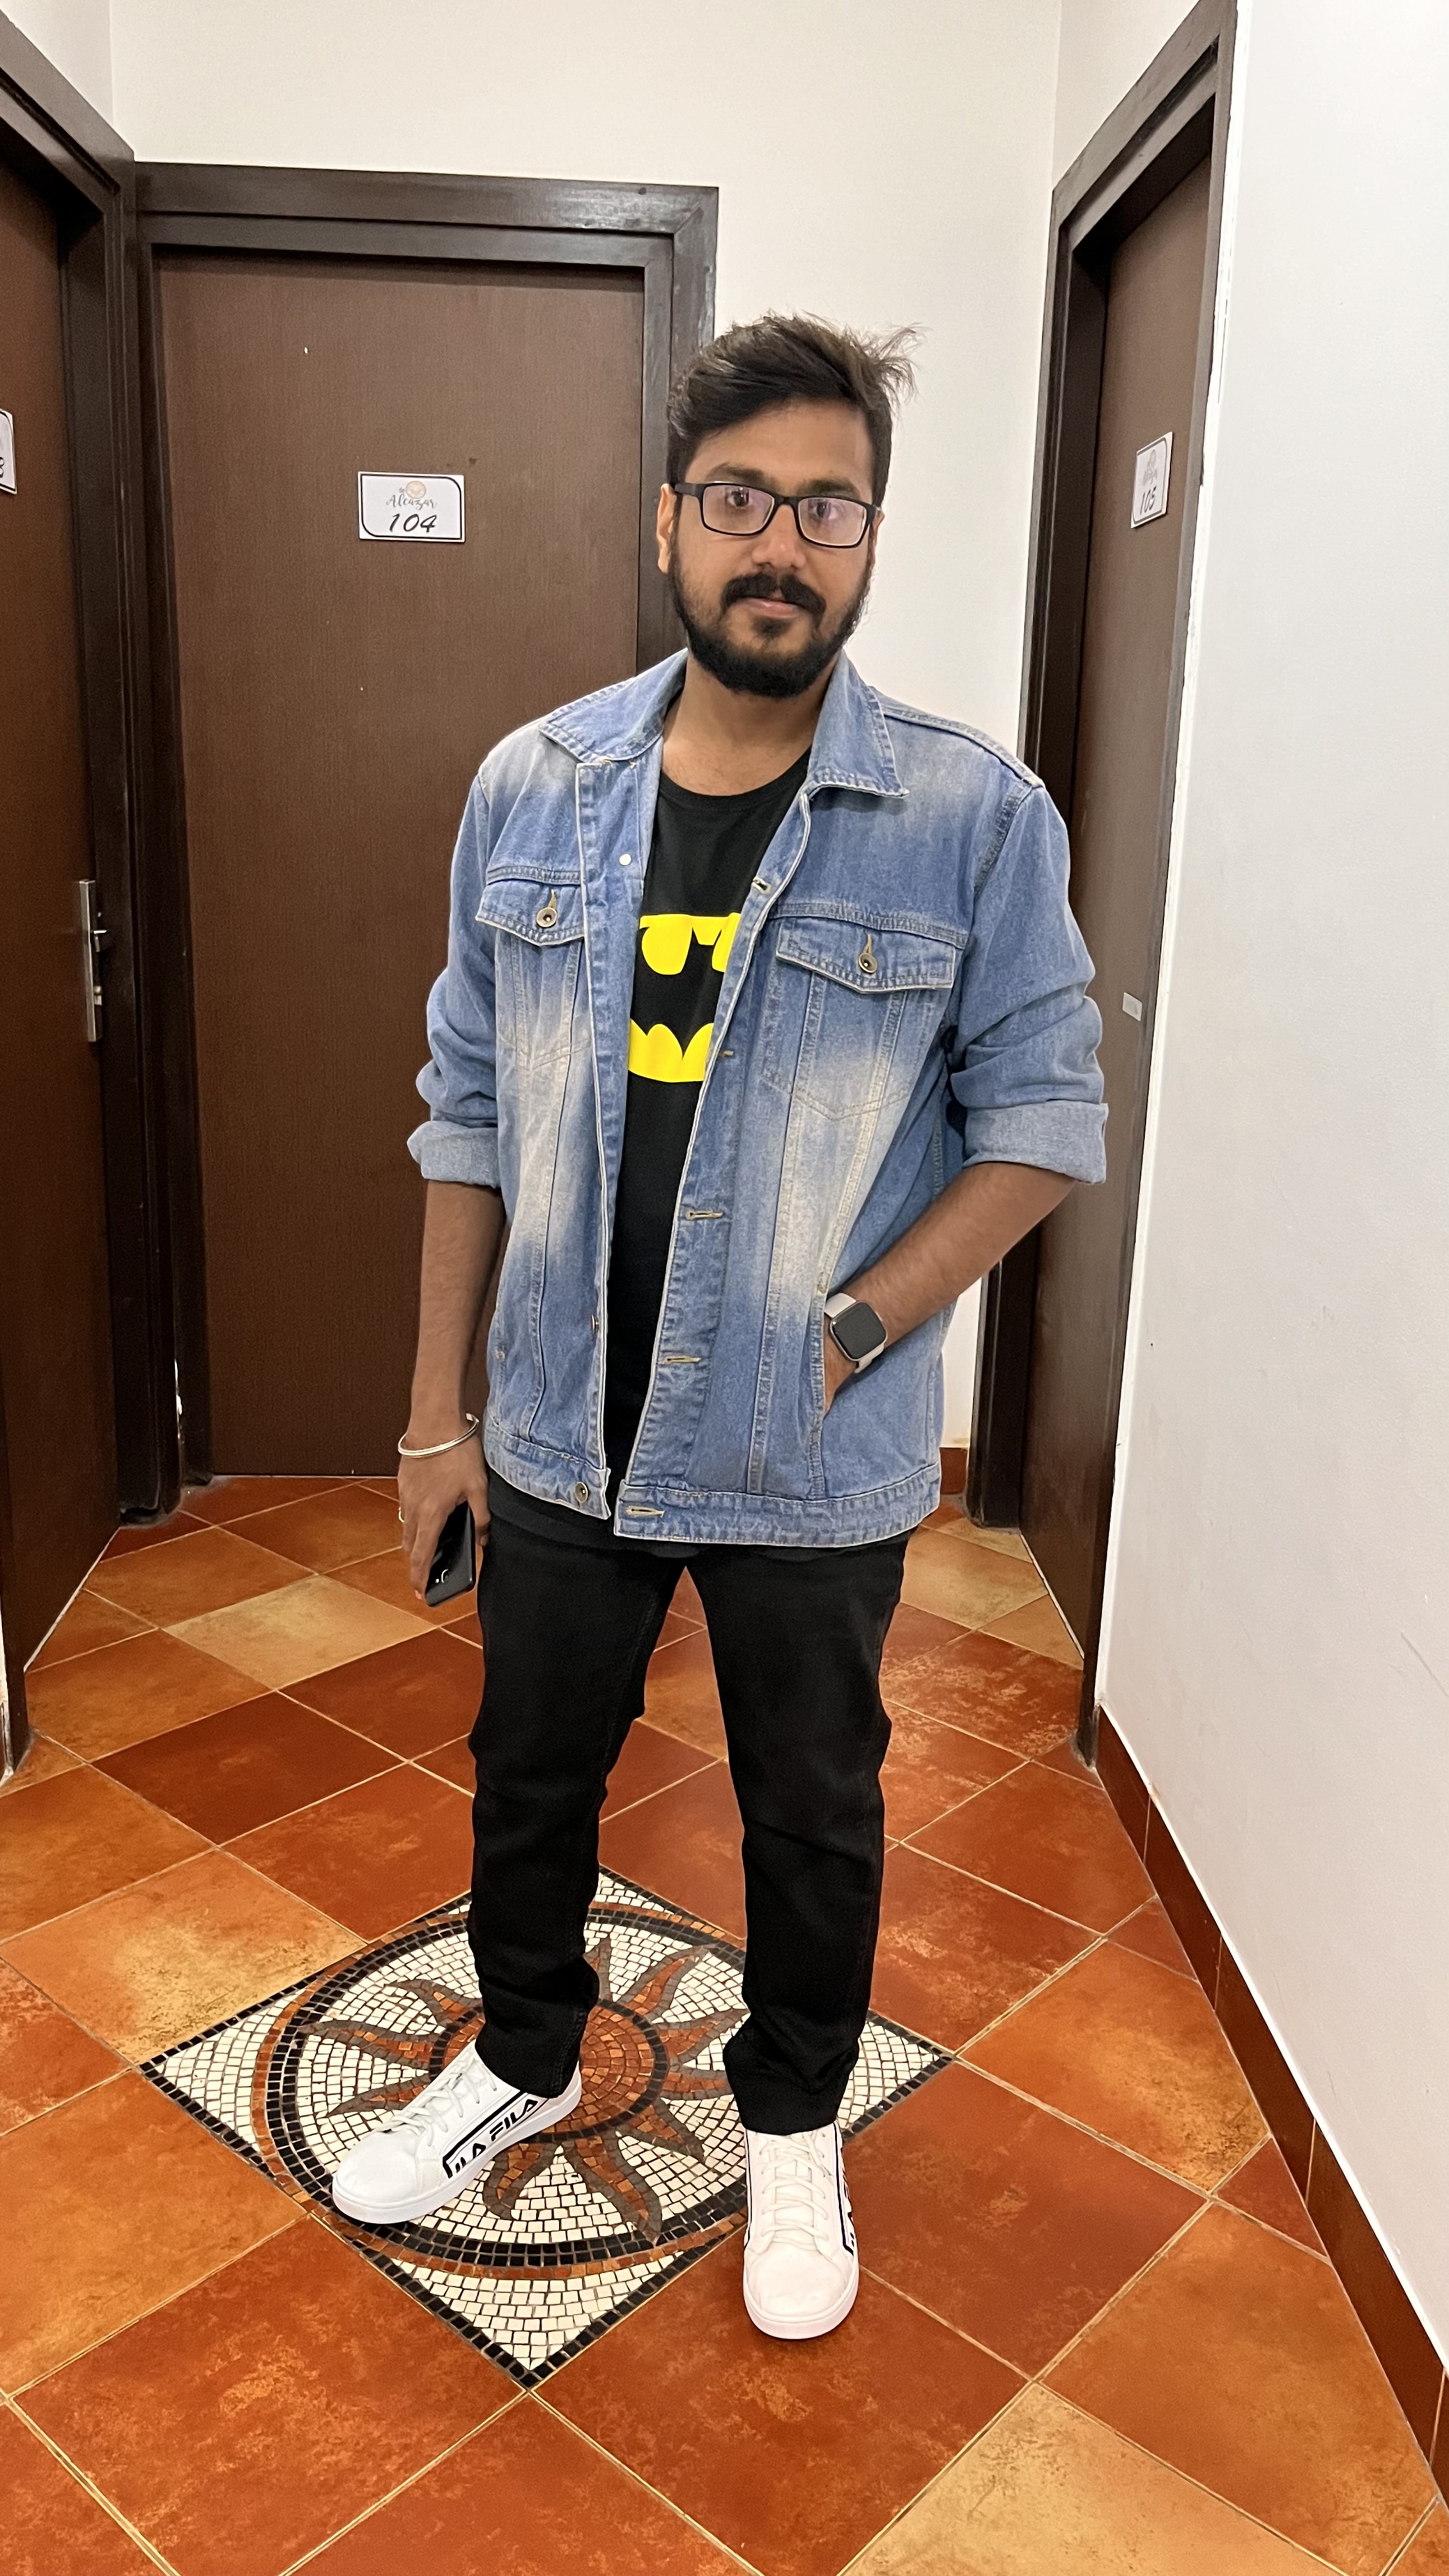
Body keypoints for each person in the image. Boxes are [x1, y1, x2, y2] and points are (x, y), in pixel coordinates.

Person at [332, 314, 1105, 2339]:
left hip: (804, 1443)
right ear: (667, 520)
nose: (782, 543)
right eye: (741, 498)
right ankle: (519, 2055)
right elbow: (463, 1115)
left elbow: (1044, 1120)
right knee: (529, 1777)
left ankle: (790, 2122)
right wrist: (431, 1422)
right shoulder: (532, 788)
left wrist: (864, 1322)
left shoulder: (967, 817)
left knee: (812, 1810)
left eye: (826, 508)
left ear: (871, 542)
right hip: (555, 1425)